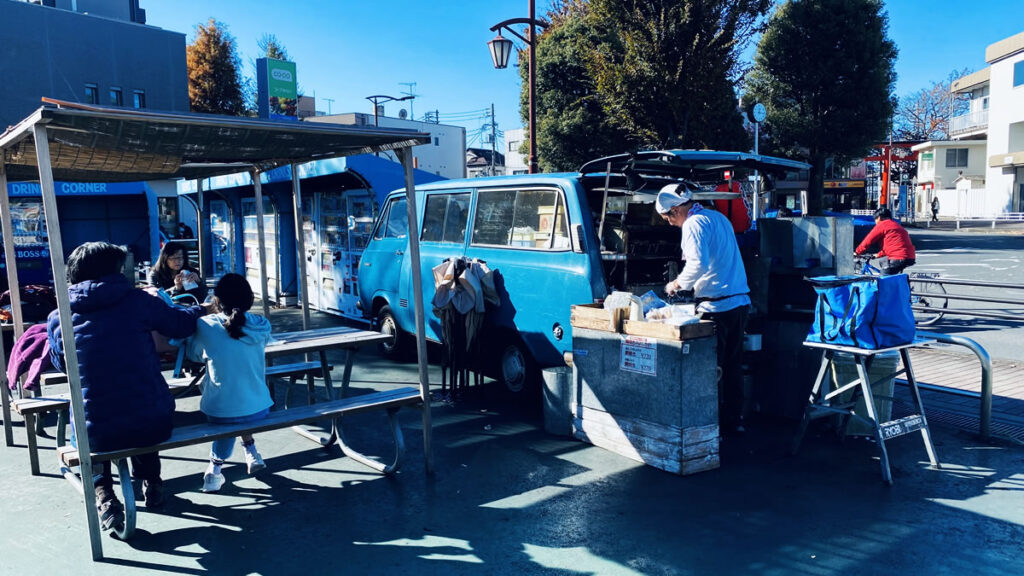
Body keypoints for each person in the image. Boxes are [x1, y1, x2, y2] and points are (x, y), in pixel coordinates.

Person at [47, 242, 204, 531]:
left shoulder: (59, 315)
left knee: (92, 417)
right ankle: (152, 482)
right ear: (114, 269)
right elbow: (180, 326)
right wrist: (200, 309)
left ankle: (104, 494)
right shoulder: (137, 300)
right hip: (152, 423)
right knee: (140, 401)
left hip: (95, 433)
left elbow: (61, 364)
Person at [658, 183, 751, 435]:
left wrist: (676, 284)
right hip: (739, 302)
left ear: (676, 210)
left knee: (711, 369)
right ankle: (734, 421)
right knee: (732, 365)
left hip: (716, 306)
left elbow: (696, 264)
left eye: (668, 217)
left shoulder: (692, 224)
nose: (669, 223)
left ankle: (709, 425)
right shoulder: (717, 217)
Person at [183, 273, 273, 493]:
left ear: (217, 300)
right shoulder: (262, 324)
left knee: (228, 404)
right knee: (239, 399)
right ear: (249, 299)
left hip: (220, 410)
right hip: (259, 407)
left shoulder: (205, 324)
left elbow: (194, 354)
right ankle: (251, 451)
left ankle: (214, 469)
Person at [855, 207, 916, 275]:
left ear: (879, 218)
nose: (875, 222)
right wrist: (878, 254)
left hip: (898, 257)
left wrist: (857, 252)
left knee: (883, 280)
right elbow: (893, 245)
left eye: (875, 219)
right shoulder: (896, 225)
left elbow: (868, 240)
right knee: (883, 261)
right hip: (909, 256)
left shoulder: (882, 225)